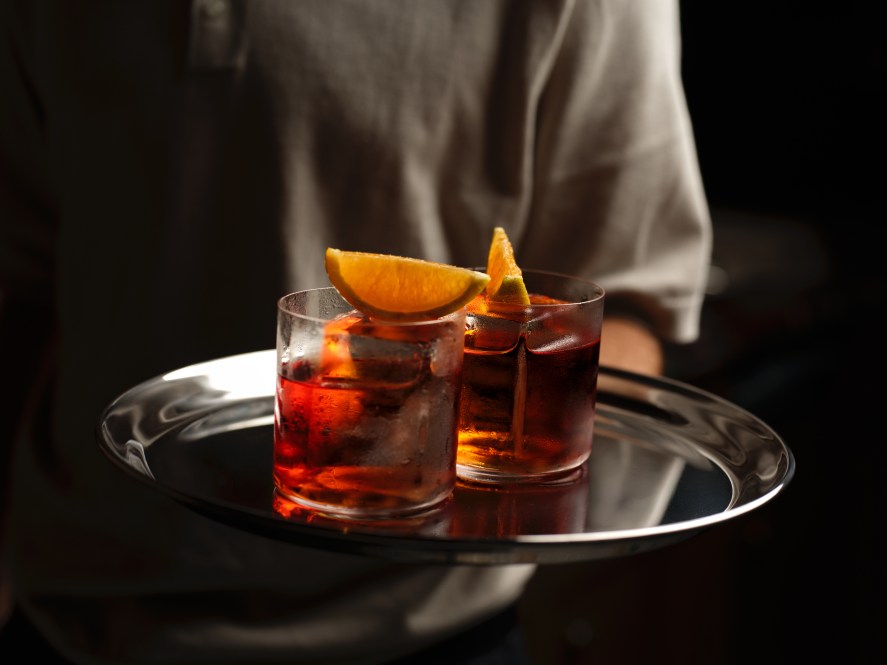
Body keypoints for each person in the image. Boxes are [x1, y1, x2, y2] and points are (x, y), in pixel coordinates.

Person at [0, 1, 711, 663]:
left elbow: (620, 308)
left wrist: (446, 447)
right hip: (70, 617)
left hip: (427, 633)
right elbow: (23, 282)